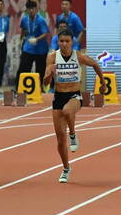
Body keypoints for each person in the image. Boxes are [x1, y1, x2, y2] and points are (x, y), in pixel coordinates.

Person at [44, 29, 106, 183]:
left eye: (67, 41)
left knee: (68, 111)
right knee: (59, 140)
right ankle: (66, 168)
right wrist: (49, 74)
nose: (64, 44)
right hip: (58, 96)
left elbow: (95, 64)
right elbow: (45, 84)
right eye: (61, 41)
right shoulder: (52, 57)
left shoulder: (78, 56)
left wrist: (103, 83)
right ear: (58, 42)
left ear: (72, 42)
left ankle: (73, 134)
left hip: (75, 95)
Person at [17, 0, 50, 85]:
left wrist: (37, 39)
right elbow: (23, 30)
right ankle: (19, 88)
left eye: (33, 9)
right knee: (23, 68)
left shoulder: (41, 20)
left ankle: (39, 88)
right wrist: (20, 41)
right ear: (27, 10)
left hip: (40, 49)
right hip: (28, 48)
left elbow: (45, 33)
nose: (31, 11)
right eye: (29, 9)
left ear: (36, 9)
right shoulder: (24, 19)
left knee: (40, 70)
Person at [0, 0, 10, 91]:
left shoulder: (6, 19)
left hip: (2, 42)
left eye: (1, 4)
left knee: (1, 64)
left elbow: (6, 31)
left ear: (3, 6)